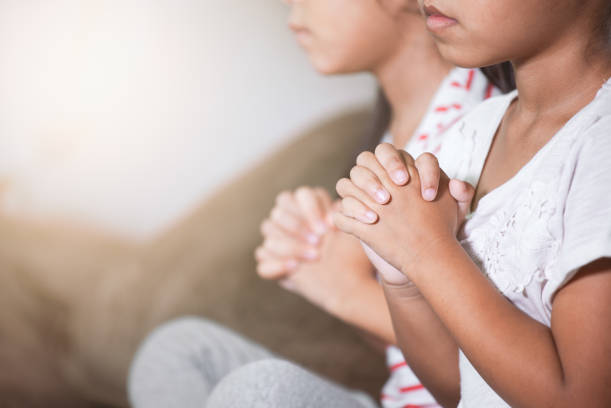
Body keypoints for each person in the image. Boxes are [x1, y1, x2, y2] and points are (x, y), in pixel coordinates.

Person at [127, 0, 513, 407]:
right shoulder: (393, 137)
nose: (293, 16)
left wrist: (342, 288)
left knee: (261, 392)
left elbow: (482, 359)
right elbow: (404, 348)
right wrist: (320, 259)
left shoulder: (478, 132)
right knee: (177, 349)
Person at [333, 0, 611, 407]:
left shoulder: (601, 146)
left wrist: (427, 250)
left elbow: (580, 398)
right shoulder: (475, 131)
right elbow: (456, 388)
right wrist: (402, 276)